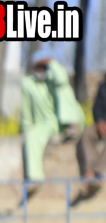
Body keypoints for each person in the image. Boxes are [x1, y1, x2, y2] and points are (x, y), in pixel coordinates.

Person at [21, 55, 84, 194]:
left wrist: (52, 62)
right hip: (44, 124)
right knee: (32, 135)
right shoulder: (28, 83)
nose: (40, 71)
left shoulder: (53, 79)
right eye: (37, 67)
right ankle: (35, 178)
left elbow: (62, 79)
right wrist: (26, 128)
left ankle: (72, 124)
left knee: (63, 88)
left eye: (43, 67)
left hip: (63, 119)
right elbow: (26, 109)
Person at [74, 75, 106, 203]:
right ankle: (90, 173)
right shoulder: (103, 87)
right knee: (87, 133)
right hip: (103, 125)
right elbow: (97, 107)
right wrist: (100, 121)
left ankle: (95, 172)